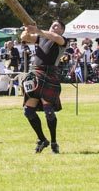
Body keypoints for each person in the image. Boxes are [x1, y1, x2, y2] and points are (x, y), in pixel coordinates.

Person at [20, 20, 67, 154]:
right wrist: (27, 29)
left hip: (49, 74)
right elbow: (24, 37)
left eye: (57, 26)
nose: (54, 26)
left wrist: (37, 30)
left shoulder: (62, 40)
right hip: (36, 73)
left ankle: (53, 142)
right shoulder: (41, 38)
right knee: (28, 111)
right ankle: (42, 140)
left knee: (49, 112)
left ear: (62, 30)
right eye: (52, 25)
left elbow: (54, 37)